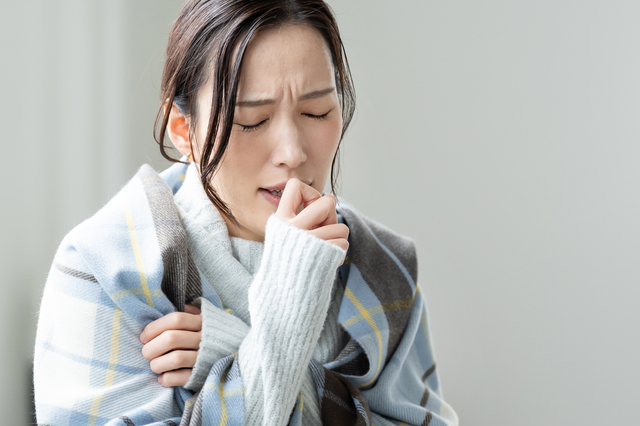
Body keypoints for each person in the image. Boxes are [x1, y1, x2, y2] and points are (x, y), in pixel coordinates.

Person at [33, 1, 458, 425]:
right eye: (252, 120)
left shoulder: (382, 269)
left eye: (317, 112)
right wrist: (285, 317)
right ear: (183, 130)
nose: (292, 152)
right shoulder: (103, 265)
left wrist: (236, 348)